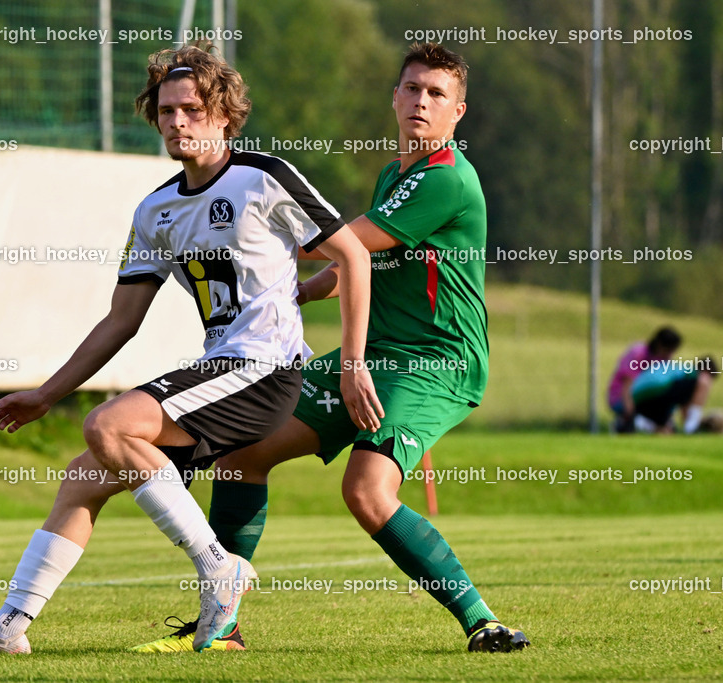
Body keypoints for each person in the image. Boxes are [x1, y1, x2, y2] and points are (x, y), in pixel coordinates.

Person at [0, 43, 381, 655]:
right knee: (83, 479)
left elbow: (353, 256)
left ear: (224, 116)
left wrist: (352, 365)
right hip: (220, 371)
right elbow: (121, 320)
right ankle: (9, 628)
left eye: (192, 109)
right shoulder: (155, 210)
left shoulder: (264, 176)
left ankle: (219, 568)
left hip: (266, 369)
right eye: (167, 111)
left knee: (108, 425)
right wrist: (46, 394)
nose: (178, 121)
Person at [132, 41, 531, 654]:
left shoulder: (446, 179)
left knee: (366, 491)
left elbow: (331, 241)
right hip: (380, 352)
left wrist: (250, 222)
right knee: (242, 456)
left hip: (435, 362)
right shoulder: (395, 174)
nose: (421, 102)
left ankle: (484, 623)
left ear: (459, 112)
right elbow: (360, 259)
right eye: (412, 89)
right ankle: (222, 625)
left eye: (437, 94)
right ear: (394, 98)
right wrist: (305, 290)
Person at [607, 326, 682, 433]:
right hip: (622, 398)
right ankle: (624, 423)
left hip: (645, 401)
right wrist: (629, 415)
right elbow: (627, 383)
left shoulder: (663, 360)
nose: (670, 355)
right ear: (659, 345)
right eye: (668, 350)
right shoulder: (639, 353)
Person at [630, 357, 718, 434]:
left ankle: (639, 423)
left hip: (641, 397)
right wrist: (692, 425)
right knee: (704, 382)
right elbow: (703, 382)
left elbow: (685, 407)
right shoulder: (693, 374)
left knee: (667, 430)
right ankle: (692, 430)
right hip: (656, 391)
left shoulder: (683, 376)